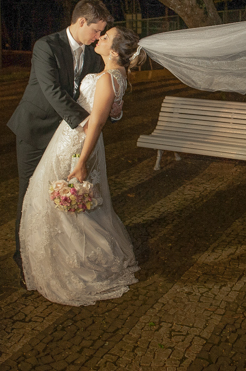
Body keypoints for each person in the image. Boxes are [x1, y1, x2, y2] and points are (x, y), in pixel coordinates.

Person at [18, 26, 147, 305]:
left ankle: (73, 262)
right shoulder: (117, 74)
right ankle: (71, 254)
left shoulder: (106, 78)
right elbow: (108, 107)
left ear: (114, 51)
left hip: (76, 144)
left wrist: (81, 161)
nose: (99, 38)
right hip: (75, 138)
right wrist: (117, 109)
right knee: (78, 205)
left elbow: (98, 122)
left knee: (56, 198)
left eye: (105, 37)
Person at [6, 0, 116, 286]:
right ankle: (23, 258)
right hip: (35, 130)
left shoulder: (93, 55)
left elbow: (99, 94)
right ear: (81, 22)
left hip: (64, 139)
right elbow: (52, 90)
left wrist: (110, 113)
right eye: (96, 31)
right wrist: (86, 122)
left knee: (56, 197)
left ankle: (54, 255)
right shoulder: (46, 46)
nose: (97, 38)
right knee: (29, 194)